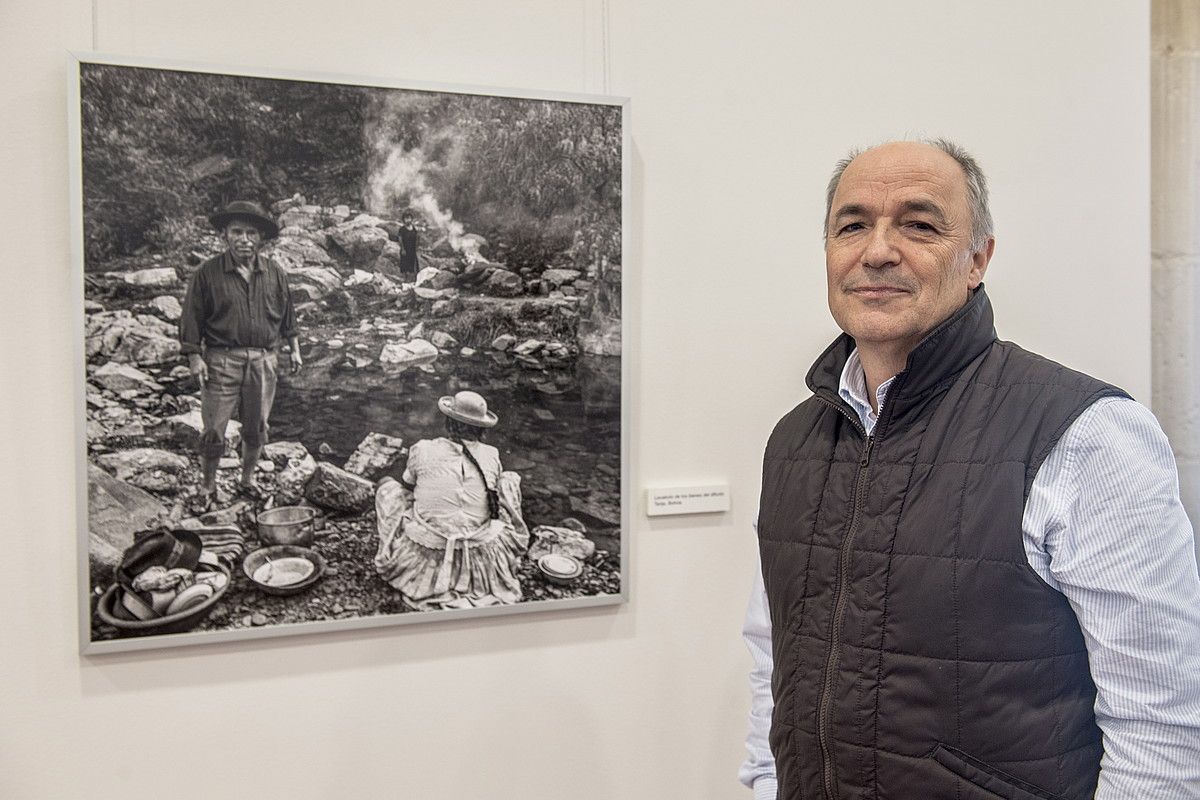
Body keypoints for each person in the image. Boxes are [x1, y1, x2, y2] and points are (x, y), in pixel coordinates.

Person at [741, 140, 1200, 800]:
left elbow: (1161, 728)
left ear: (977, 258)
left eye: (919, 225)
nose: (876, 251)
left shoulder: (1085, 434)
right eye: (853, 225)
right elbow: (772, 658)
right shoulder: (794, 441)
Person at [179, 200, 302, 509]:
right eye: (236, 232)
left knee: (256, 427)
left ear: (260, 238)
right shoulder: (207, 273)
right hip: (222, 359)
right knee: (214, 429)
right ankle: (208, 487)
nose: (244, 239)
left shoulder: (274, 272)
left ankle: (246, 481)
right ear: (225, 235)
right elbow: (191, 316)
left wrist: (295, 349)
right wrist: (195, 356)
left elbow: (287, 315)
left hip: (264, 360)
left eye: (250, 233)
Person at [374, 390, 529, 610]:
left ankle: (434, 577)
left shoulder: (422, 448)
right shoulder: (492, 454)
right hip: (480, 548)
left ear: (448, 421)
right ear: (482, 428)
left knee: (388, 487)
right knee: (508, 480)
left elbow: (406, 488)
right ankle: (469, 579)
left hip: (429, 547)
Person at [397, 209, 423, 280]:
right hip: (405, 249)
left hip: (412, 249)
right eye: (406, 218)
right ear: (403, 220)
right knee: (405, 265)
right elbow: (400, 239)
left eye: (409, 218)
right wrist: (402, 249)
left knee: (413, 264)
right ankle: (405, 279)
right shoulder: (402, 229)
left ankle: (413, 279)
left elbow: (417, 237)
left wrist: (417, 246)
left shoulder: (414, 228)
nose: (408, 220)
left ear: (411, 219)